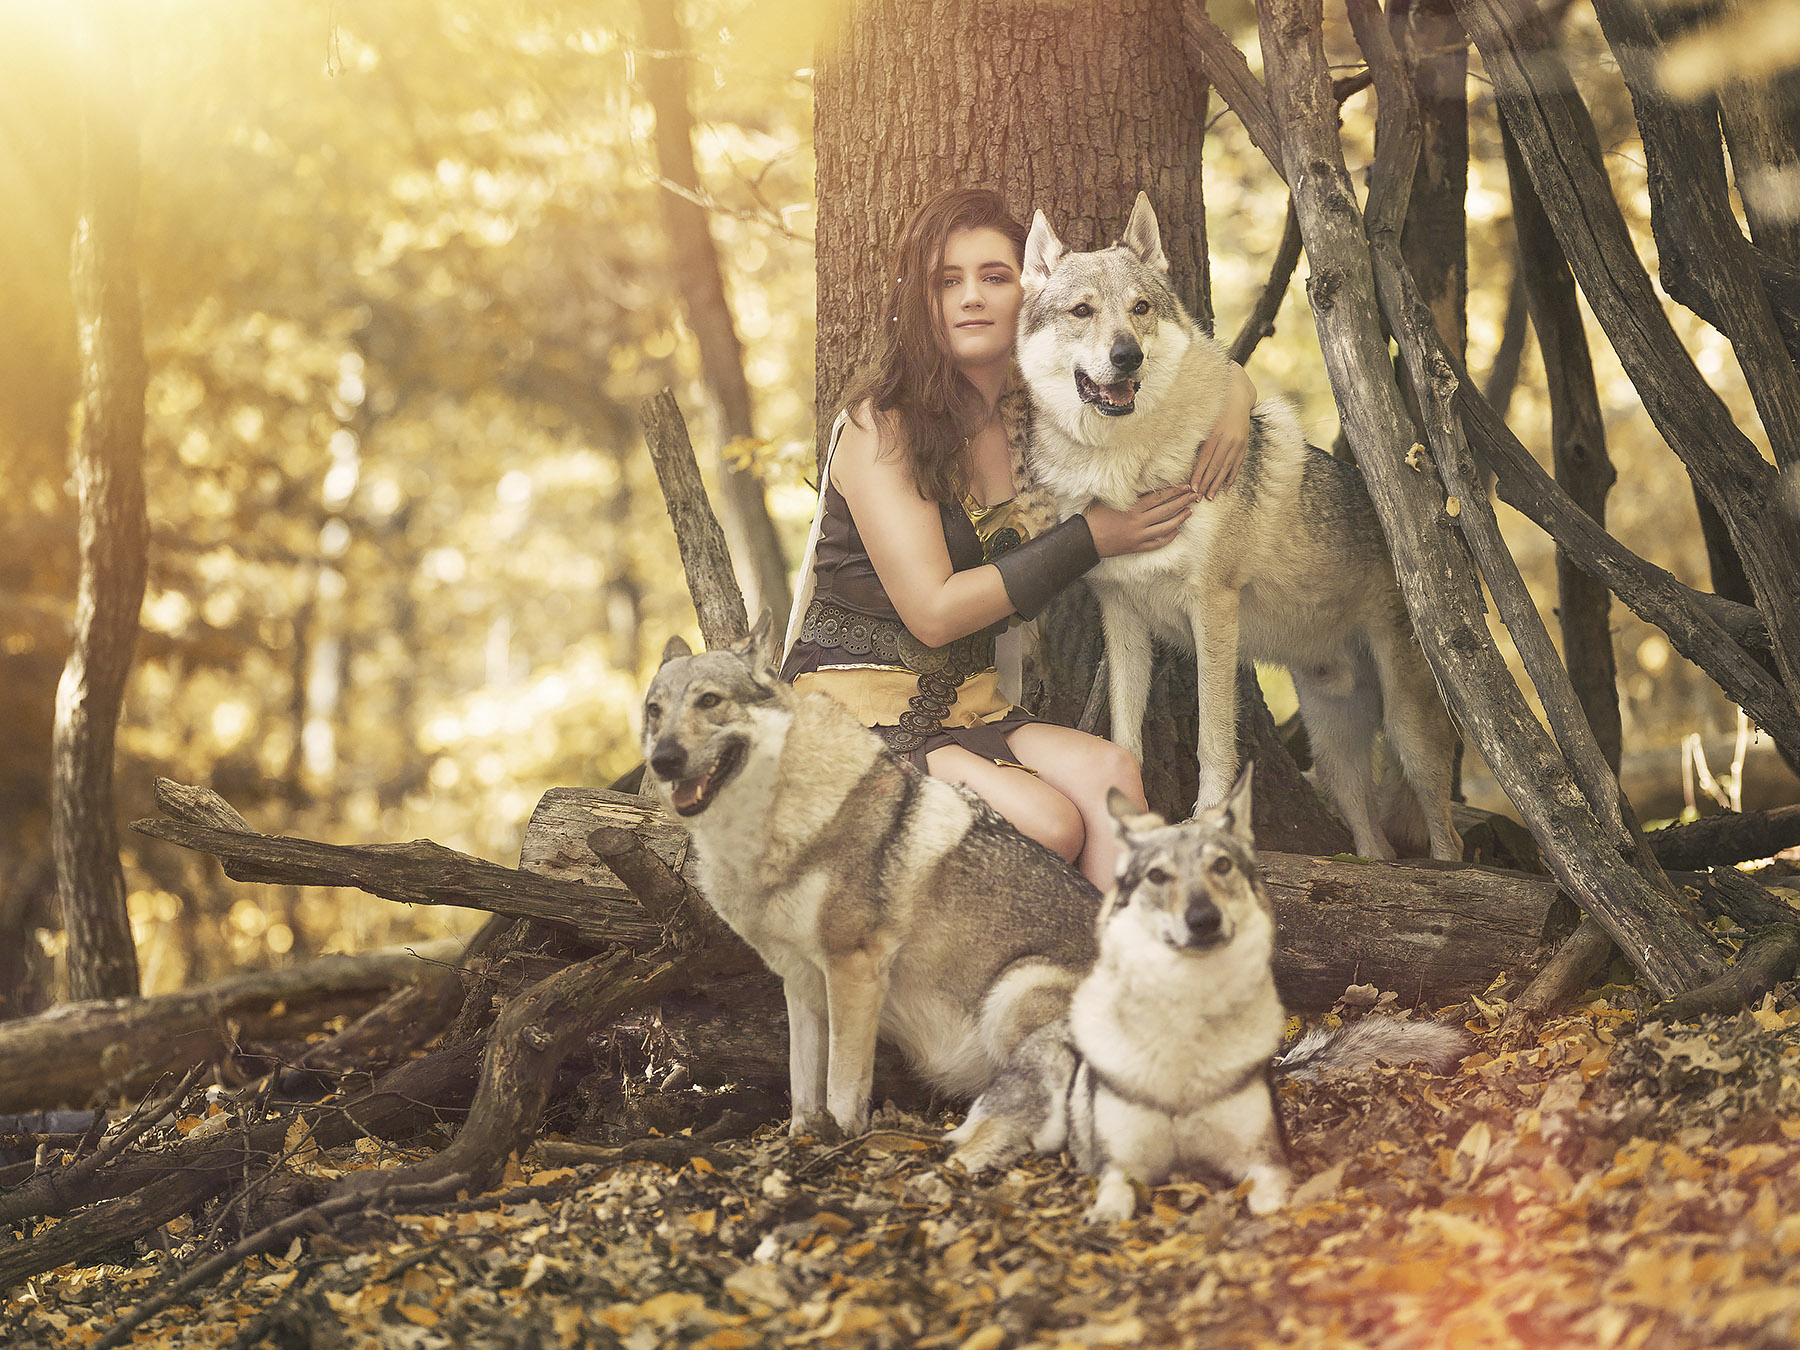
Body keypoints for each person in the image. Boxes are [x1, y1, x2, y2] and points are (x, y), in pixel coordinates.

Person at [780, 187, 1255, 889]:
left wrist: (1239, 402)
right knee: (1051, 823)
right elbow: (934, 613)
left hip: (968, 703)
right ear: (923, 300)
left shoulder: (1043, 418)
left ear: (1029, 292)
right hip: (858, 707)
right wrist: (1093, 537)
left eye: (994, 277)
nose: (972, 297)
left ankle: (1111, 986)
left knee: (1114, 779)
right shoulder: (882, 424)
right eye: (948, 281)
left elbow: (1185, 367)